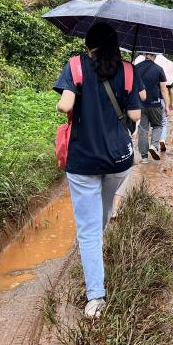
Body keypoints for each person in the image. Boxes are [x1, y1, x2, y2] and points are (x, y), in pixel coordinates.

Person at [54, 22, 142, 318]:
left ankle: (96, 297)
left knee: (89, 231)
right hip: (118, 161)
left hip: (83, 161)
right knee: (101, 214)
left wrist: (70, 98)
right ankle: (96, 250)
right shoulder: (129, 70)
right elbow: (134, 114)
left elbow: (65, 106)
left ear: (88, 44)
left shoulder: (75, 66)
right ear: (115, 44)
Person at [135, 52, 171, 163]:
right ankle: (154, 146)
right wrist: (167, 106)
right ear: (154, 56)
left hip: (140, 104)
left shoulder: (135, 68)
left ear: (144, 55)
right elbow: (164, 90)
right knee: (158, 125)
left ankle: (144, 157)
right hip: (155, 103)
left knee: (142, 130)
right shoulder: (159, 68)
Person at [159, 82, 173, 152]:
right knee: (164, 122)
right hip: (162, 101)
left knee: (154, 124)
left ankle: (153, 144)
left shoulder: (150, 73)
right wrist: (171, 103)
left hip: (151, 102)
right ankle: (162, 139)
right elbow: (171, 92)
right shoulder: (167, 78)